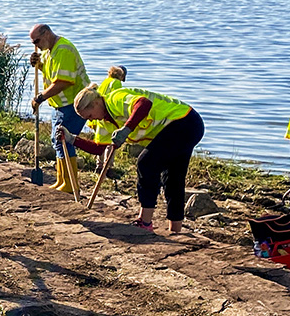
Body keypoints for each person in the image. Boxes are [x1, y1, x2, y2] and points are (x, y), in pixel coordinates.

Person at [61, 85, 204, 233]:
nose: (92, 120)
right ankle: (176, 230)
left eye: (90, 116)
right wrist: (72, 139)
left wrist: (126, 129)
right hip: (184, 125)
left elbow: (144, 103)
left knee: (146, 164)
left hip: (184, 121)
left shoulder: (115, 98)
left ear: (96, 103)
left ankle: (145, 221)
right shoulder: (103, 122)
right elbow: (98, 148)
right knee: (173, 177)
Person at [29, 23, 90, 193]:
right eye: (33, 42)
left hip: (74, 104)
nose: (36, 45)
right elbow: (52, 72)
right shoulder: (49, 51)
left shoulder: (63, 50)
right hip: (61, 105)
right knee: (57, 140)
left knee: (64, 140)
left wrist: (41, 97)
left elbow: (63, 81)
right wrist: (39, 65)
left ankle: (70, 184)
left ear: (47, 33)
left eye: (37, 40)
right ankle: (62, 180)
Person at [85, 65, 127, 172]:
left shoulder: (105, 82)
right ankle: (107, 168)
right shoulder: (116, 83)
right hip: (107, 117)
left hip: (98, 117)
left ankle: (99, 167)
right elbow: (117, 97)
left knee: (100, 143)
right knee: (111, 144)